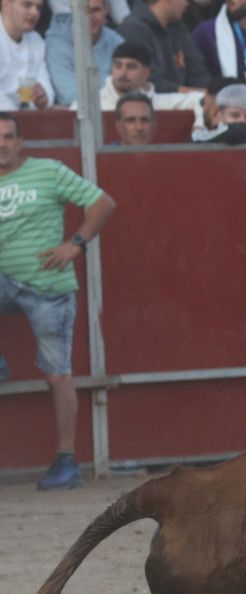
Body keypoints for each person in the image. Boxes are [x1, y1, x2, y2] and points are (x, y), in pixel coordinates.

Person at [0, 114, 115, 491]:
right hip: (4, 281)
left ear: (21, 141)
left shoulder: (48, 171)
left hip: (47, 287)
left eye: (8, 137)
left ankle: (66, 462)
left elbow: (102, 202)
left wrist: (76, 243)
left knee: (58, 373)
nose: (1, 144)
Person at [117, 0, 208, 91]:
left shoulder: (179, 28)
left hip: (188, 101)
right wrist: (192, 93)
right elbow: (146, 81)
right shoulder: (133, 30)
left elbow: (198, 71)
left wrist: (208, 93)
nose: (186, 3)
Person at [44, 0, 120, 108]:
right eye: (83, 10)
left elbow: (130, 87)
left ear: (106, 10)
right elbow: (69, 96)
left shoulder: (116, 41)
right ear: (72, 10)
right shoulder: (56, 43)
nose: (90, 17)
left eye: (96, 10)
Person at [97, 40, 204, 114]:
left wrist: (199, 127)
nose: (123, 73)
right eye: (118, 66)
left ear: (145, 73)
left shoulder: (157, 103)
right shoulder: (94, 104)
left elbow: (201, 99)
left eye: (131, 67)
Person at [0, 0, 54, 110]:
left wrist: (42, 99)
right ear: (5, 3)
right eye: (27, 5)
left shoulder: (36, 41)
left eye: (38, 8)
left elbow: (45, 86)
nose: (34, 13)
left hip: (26, 119)